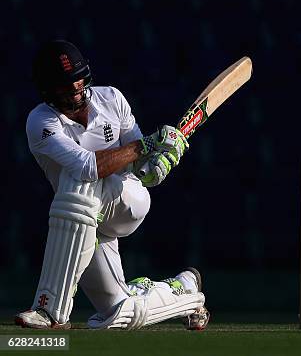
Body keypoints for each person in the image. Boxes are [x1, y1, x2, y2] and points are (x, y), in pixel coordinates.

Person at [16, 40, 210, 330]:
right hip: (83, 220)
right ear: (47, 90)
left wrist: (160, 161)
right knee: (116, 312)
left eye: (78, 80)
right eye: (65, 85)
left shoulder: (111, 99)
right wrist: (148, 144)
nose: (75, 89)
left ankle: (49, 310)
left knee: (77, 183)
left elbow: (140, 163)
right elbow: (88, 164)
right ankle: (185, 292)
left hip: (127, 200)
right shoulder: (40, 121)